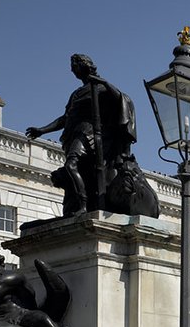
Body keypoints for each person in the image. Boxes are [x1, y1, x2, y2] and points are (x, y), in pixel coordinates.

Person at [26, 54, 156, 218]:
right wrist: (42, 130)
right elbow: (65, 118)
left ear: (84, 66)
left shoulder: (101, 88)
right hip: (74, 133)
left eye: (75, 66)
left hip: (89, 133)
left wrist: (104, 83)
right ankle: (83, 204)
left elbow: (122, 101)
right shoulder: (76, 93)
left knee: (70, 166)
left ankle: (83, 205)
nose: (73, 70)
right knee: (82, 172)